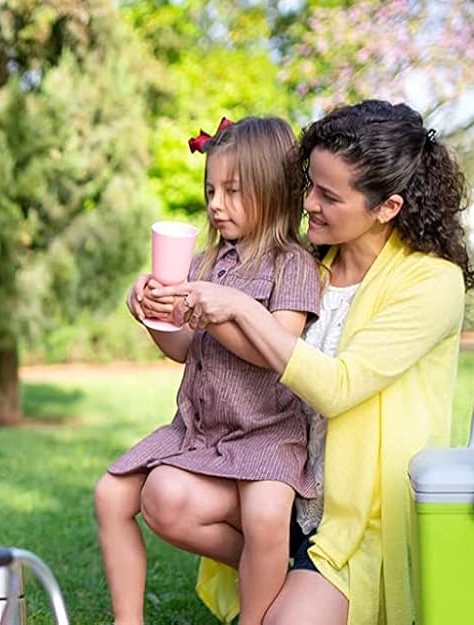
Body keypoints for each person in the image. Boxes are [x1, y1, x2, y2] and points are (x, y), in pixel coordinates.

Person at [154, 100, 474, 625]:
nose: (307, 204)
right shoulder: (307, 263)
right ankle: (271, 564)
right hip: (279, 479)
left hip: (355, 518)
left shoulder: (432, 282)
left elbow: (337, 387)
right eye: (310, 186)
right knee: (165, 499)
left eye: (329, 195)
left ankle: (290, 583)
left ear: (387, 207)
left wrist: (239, 308)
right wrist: (162, 312)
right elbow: (211, 350)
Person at [94, 116, 323, 625]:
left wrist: (216, 314)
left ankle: (260, 602)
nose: (217, 204)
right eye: (211, 190)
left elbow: (277, 351)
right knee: (110, 494)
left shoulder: (292, 266)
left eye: (233, 191)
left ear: (274, 190)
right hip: (199, 433)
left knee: (265, 517)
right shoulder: (202, 263)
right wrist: (152, 314)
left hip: (267, 435)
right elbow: (181, 349)